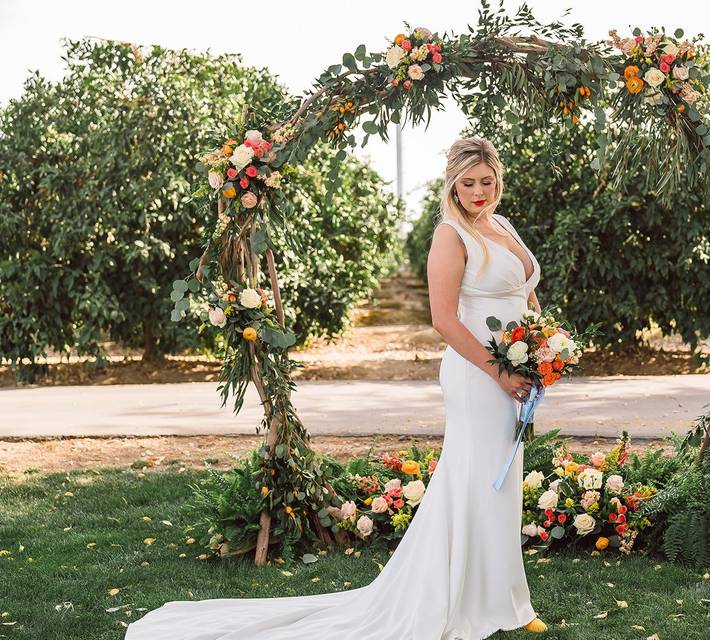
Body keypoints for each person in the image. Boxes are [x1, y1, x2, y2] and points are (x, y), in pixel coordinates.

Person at [125, 136, 546, 639]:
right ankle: (468, 600)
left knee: (500, 485)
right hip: (479, 376)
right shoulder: (450, 237)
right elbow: (444, 320)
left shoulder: (502, 227)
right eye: (468, 182)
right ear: (452, 184)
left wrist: (544, 349)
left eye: (487, 181)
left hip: (518, 371)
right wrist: (499, 371)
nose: (479, 190)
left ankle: (507, 600)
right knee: (476, 482)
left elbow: (526, 294)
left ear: (498, 179)